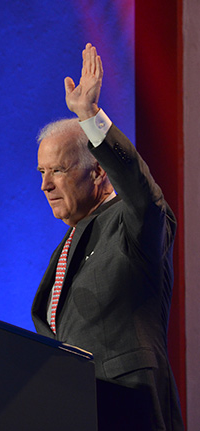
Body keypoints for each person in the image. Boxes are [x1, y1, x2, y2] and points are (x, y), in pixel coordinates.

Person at [31, 43, 184, 430]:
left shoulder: (135, 221)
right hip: (73, 411)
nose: (46, 185)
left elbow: (138, 187)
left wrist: (90, 116)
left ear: (98, 172)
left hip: (128, 408)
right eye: (41, 172)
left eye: (59, 170)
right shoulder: (65, 248)